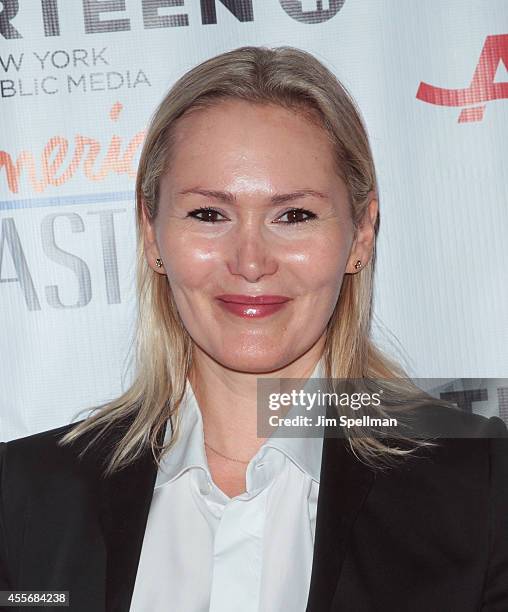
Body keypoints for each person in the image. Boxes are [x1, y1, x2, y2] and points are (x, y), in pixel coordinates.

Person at [0, 46, 507, 612]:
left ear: (361, 234)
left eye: (293, 215)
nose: (249, 260)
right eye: (208, 214)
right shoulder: (21, 498)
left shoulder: (483, 490)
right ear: (151, 233)